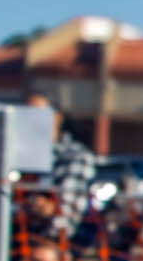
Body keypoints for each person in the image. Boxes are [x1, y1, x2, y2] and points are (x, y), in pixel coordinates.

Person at [23, 91, 98, 241]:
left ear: (57, 117)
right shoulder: (11, 157)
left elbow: (64, 223)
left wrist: (41, 209)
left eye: (37, 114)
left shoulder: (75, 156)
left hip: (52, 249)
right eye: (24, 115)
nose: (29, 120)